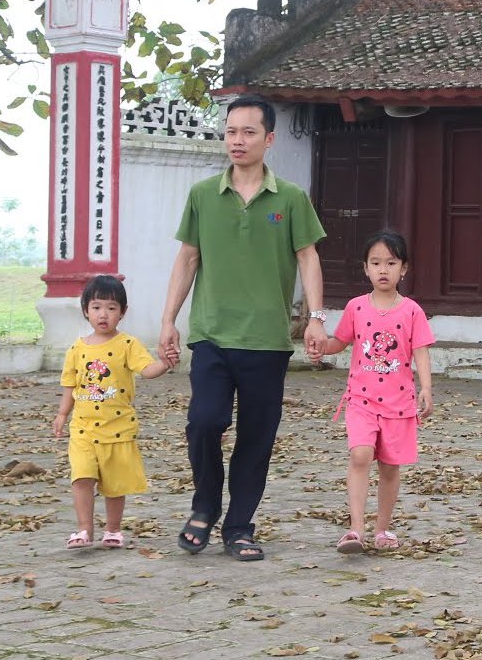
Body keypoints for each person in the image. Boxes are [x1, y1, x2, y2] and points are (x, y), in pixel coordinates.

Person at [158, 95, 327, 562]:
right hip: (210, 333)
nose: (237, 140)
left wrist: (316, 317)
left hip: (266, 340)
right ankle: (204, 507)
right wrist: (168, 320)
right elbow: (187, 258)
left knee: (257, 436)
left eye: (248, 132)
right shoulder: (202, 195)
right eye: (231, 131)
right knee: (204, 421)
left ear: (268, 139)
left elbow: (308, 257)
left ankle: (239, 527)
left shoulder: (290, 199)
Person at [308, 230, 435, 553]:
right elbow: (341, 341)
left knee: (390, 466)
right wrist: (323, 347)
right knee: (360, 454)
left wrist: (426, 388)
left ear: (403, 268)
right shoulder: (355, 308)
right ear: (365, 268)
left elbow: (421, 350)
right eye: (375, 262)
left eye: (391, 263)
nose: (383, 269)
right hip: (361, 400)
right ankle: (355, 529)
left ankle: (382, 529)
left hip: (399, 404)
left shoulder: (411, 311)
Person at [52, 274, 172, 549]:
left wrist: (164, 363)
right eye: (96, 307)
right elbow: (70, 385)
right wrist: (62, 415)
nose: (103, 314)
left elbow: (147, 370)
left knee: (114, 485)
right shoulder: (76, 349)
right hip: (82, 429)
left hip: (118, 429)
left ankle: (113, 530)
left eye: (111, 308)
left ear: (122, 313)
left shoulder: (128, 345)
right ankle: (84, 529)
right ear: (86, 310)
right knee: (81, 477)